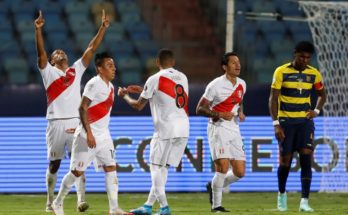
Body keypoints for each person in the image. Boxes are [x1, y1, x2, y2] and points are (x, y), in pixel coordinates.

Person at [34, 10, 109, 212]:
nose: (61, 53)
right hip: (56, 122)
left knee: (79, 163)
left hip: (76, 122)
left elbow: (91, 49)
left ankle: (80, 200)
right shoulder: (48, 72)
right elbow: (41, 54)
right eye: (56, 53)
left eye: (62, 51)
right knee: (54, 165)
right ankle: (50, 201)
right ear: (51, 61)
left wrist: (103, 27)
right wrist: (38, 30)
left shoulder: (75, 70)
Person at [52, 52, 131, 215]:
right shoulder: (94, 84)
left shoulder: (110, 87)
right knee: (76, 172)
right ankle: (57, 202)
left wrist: (122, 95)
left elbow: (101, 108)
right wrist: (89, 133)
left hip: (104, 136)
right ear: (100, 69)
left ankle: (114, 208)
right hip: (86, 136)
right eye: (109, 65)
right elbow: (82, 108)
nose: (114, 68)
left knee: (111, 168)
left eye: (114, 65)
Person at [118, 49, 189, 215]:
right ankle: (148, 206)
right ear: (173, 61)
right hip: (183, 128)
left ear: (157, 62)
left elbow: (138, 105)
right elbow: (168, 94)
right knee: (163, 169)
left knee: (155, 167)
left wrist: (125, 96)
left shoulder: (154, 78)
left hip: (166, 129)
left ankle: (164, 207)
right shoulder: (183, 77)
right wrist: (144, 89)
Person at [268, 41, 327, 212]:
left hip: (305, 123)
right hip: (286, 123)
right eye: (302, 56)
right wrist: (276, 123)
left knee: (306, 158)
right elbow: (273, 99)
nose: (305, 60)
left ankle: (304, 201)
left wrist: (316, 110)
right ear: (295, 54)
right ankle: (281, 194)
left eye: (308, 57)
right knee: (285, 162)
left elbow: (323, 94)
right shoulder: (281, 71)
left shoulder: (314, 74)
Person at [196, 52, 246, 213]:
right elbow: (200, 109)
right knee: (222, 168)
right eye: (233, 63)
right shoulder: (215, 85)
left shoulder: (242, 84)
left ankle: (213, 185)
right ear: (225, 67)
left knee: (239, 172)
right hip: (218, 129)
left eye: (238, 62)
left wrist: (240, 112)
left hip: (234, 129)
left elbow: (239, 101)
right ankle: (216, 206)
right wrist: (219, 114)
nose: (237, 65)